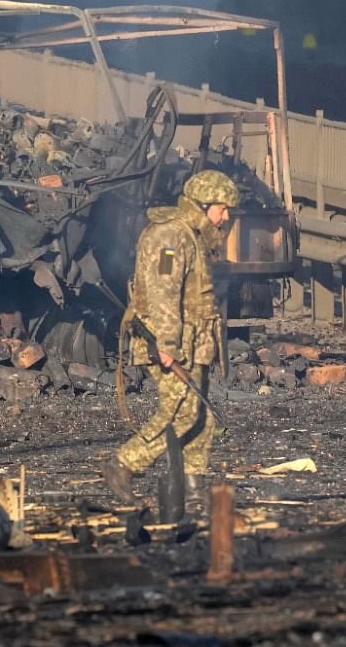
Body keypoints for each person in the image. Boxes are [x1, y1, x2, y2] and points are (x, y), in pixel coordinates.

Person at [104, 169, 239, 502]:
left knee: (201, 415)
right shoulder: (170, 237)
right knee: (181, 412)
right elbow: (164, 292)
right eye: (222, 208)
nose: (226, 217)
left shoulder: (191, 236)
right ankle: (123, 465)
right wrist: (167, 345)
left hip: (194, 341)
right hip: (168, 341)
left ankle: (194, 483)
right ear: (203, 204)